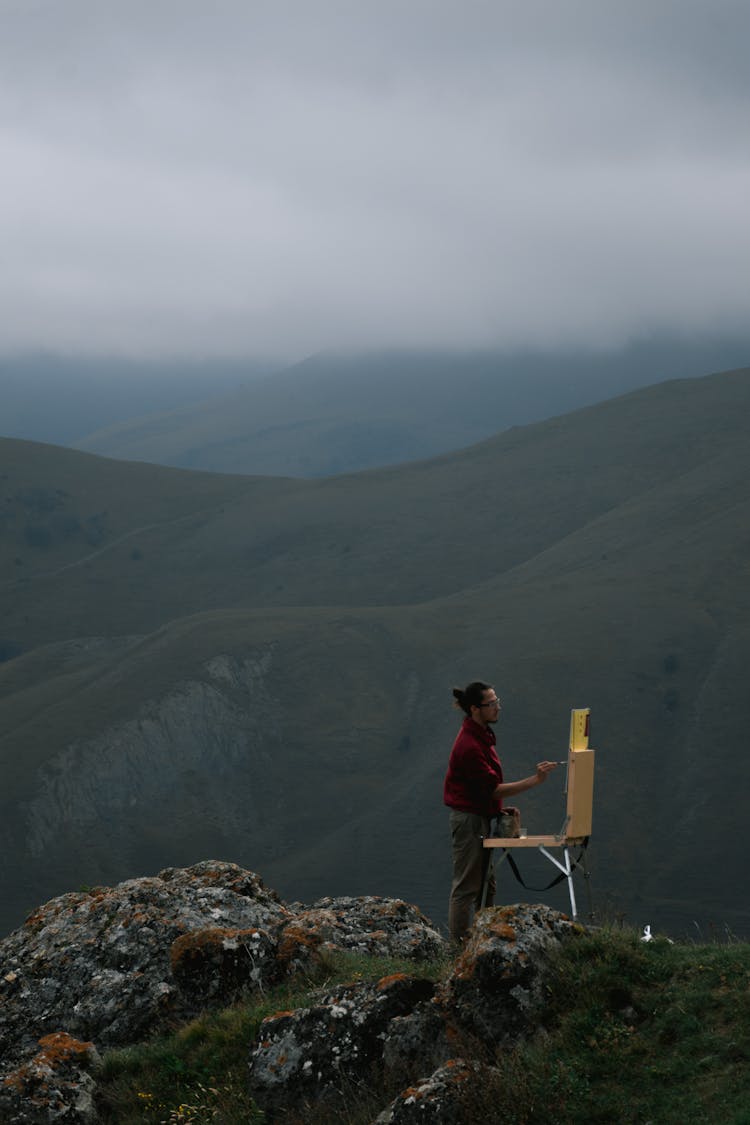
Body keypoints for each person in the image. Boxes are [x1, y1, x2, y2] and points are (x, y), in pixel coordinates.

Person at [443, 680, 558, 944]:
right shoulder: (470, 746)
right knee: (466, 888)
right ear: (475, 709)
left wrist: (494, 809)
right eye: (491, 703)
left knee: (486, 886)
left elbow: (482, 790)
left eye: (497, 701)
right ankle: (458, 952)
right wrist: (536, 780)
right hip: (469, 821)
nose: (498, 707)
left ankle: (481, 944)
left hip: (478, 816)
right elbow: (492, 789)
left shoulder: (480, 737)